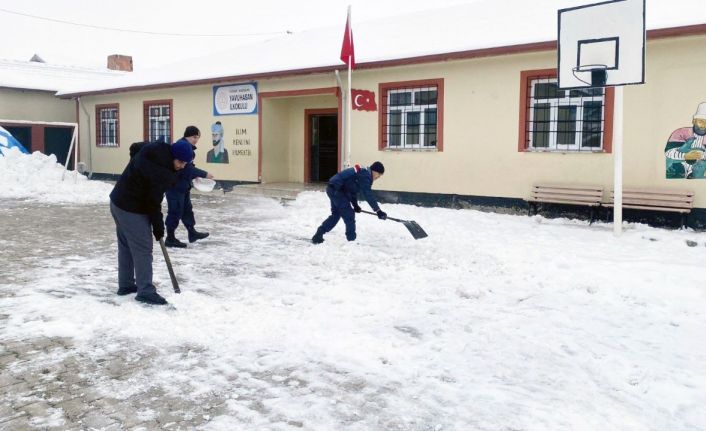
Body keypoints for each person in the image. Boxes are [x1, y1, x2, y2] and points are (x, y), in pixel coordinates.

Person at [109, 139, 193, 305]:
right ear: (173, 156)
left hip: (118, 200)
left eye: (185, 163)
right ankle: (145, 291)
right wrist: (158, 227)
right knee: (143, 248)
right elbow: (153, 203)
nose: (182, 166)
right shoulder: (160, 172)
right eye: (180, 162)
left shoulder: (157, 149)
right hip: (131, 207)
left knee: (126, 245)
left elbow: (134, 147)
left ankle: (126, 285)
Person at [312, 161, 387, 244]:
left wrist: (355, 205)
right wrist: (378, 211)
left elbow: (352, 191)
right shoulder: (365, 175)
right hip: (337, 190)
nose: (378, 177)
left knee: (336, 215)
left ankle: (319, 234)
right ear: (374, 171)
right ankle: (351, 240)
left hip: (333, 188)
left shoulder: (363, 172)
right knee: (349, 214)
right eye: (379, 175)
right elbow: (368, 194)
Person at [165, 126, 214, 248]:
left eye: (198, 137)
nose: (196, 139)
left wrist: (193, 177)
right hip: (174, 186)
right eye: (194, 137)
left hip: (183, 185)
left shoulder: (187, 147)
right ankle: (170, 238)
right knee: (175, 211)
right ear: (187, 136)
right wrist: (204, 174)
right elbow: (187, 168)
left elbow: (187, 168)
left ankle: (192, 233)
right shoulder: (181, 147)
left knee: (187, 210)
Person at [665, 102, 706, 179]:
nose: (704, 126)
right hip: (678, 170)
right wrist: (685, 156)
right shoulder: (680, 132)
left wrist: (701, 155)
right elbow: (668, 152)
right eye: (701, 121)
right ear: (694, 121)